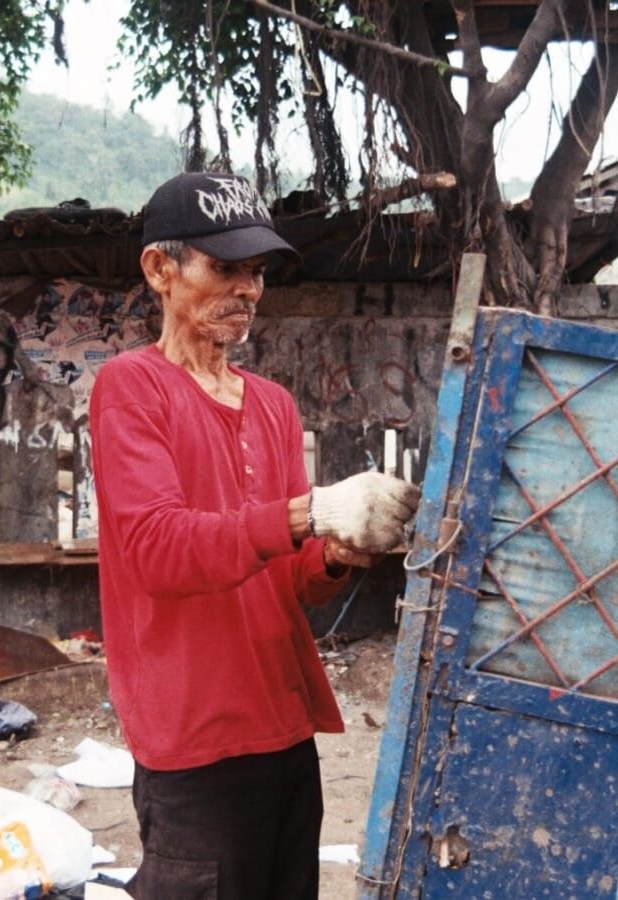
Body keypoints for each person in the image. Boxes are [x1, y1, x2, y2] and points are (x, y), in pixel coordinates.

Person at [89, 172, 422, 899]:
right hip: (194, 738)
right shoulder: (131, 388)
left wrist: (335, 553)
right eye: (224, 267)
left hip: (283, 727)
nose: (247, 288)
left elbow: (290, 578)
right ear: (160, 270)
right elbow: (159, 550)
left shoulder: (272, 406)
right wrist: (312, 514)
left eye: (258, 271)